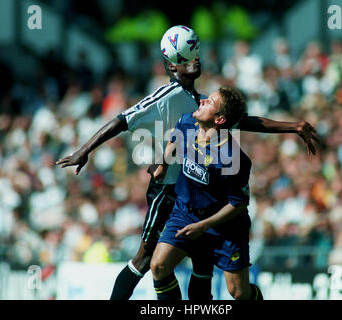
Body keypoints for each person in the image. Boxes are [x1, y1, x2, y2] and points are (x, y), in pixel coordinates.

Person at [56, 26, 320, 301]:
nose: (195, 60)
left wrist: (293, 126)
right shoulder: (166, 96)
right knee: (147, 259)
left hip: (199, 193)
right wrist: (85, 150)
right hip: (169, 191)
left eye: (195, 56)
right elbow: (122, 120)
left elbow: (245, 121)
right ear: (172, 66)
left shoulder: (200, 103)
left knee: (202, 267)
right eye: (186, 60)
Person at [150, 86, 262, 300]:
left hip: (225, 227)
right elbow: (174, 139)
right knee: (158, 266)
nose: (201, 101)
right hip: (185, 212)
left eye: (209, 102)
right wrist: (163, 164)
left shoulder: (233, 158)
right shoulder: (186, 122)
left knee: (238, 293)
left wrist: (204, 226)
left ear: (219, 119)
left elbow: (238, 203)